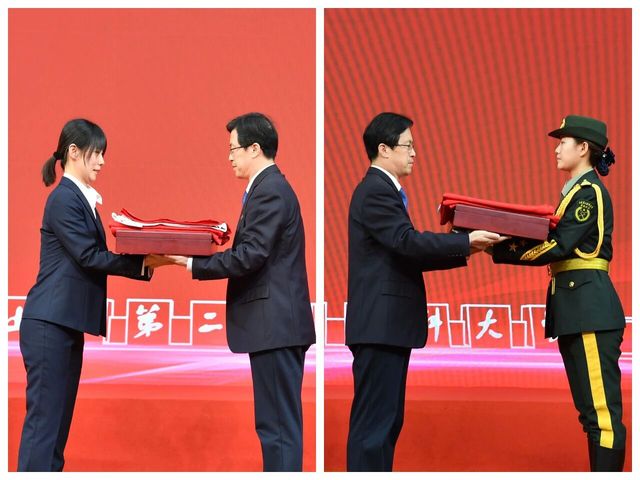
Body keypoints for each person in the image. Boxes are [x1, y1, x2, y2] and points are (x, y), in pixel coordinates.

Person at [345, 112, 504, 471]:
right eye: (408, 146)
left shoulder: (384, 190)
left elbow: (405, 250)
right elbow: (406, 243)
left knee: (385, 426)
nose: (414, 153)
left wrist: (465, 245)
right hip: (380, 327)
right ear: (384, 149)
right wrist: (464, 242)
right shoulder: (375, 190)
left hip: (386, 328)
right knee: (374, 429)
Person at [158, 112, 315, 471]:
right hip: (276, 329)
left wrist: (190, 262)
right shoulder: (267, 189)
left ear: (254, 148)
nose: (229, 157)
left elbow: (251, 255)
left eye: (233, 149)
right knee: (275, 427)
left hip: (276, 329)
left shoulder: (270, 190)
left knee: (277, 430)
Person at [17, 118, 158, 471]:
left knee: (56, 431)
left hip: (64, 326)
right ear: (74, 152)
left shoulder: (80, 199)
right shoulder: (64, 199)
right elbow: (89, 256)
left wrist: (149, 255)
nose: (102, 162)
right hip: (49, 325)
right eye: (97, 153)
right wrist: (144, 262)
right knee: (44, 429)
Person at [491, 114, 626, 471]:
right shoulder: (577, 192)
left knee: (602, 417)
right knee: (590, 415)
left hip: (590, 313)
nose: (556, 149)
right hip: (578, 312)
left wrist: (498, 247)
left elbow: (558, 245)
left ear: (583, 148)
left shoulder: (588, 193)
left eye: (563, 142)